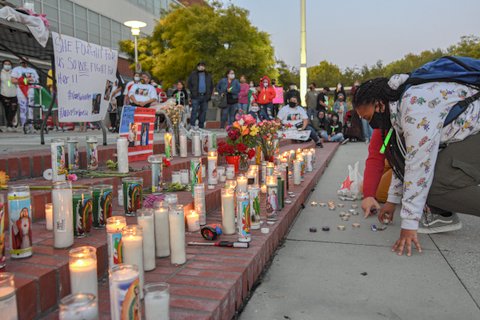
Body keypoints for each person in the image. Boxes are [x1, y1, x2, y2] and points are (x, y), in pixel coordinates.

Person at [353, 75, 477, 256]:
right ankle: (443, 214)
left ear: (379, 105)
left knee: (431, 185)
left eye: (368, 117)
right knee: (428, 181)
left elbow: (418, 166)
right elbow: (403, 159)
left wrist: (409, 225)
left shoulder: (413, 109)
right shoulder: (398, 106)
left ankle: (442, 213)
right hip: (469, 137)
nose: (370, 124)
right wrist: (392, 201)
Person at [11, 58, 39, 134]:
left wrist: (29, 81)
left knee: (31, 108)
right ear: (20, 62)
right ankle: (24, 125)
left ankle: (31, 126)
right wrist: (25, 81)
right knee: (23, 108)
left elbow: (36, 80)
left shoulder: (32, 70)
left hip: (31, 89)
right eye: (22, 62)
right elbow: (13, 80)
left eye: (25, 62)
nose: (24, 63)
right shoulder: (16, 69)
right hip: (20, 90)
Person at [187, 61, 214, 128]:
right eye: (200, 65)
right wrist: (193, 92)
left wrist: (209, 95)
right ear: (197, 67)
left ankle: (201, 126)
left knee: (203, 112)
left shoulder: (208, 75)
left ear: (204, 67)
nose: (201, 67)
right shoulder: (193, 74)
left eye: (202, 65)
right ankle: (192, 125)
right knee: (194, 111)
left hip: (205, 96)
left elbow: (211, 86)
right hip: (195, 96)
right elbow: (189, 84)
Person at [0, 60, 18, 132]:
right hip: (4, 93)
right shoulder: (1, 73)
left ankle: (10, 124)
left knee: (13, 109)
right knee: (7, 110)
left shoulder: (14, 72)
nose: (7, 65)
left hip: (14, 93)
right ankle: (9, 125)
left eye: (9, 64)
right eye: (5, 64)